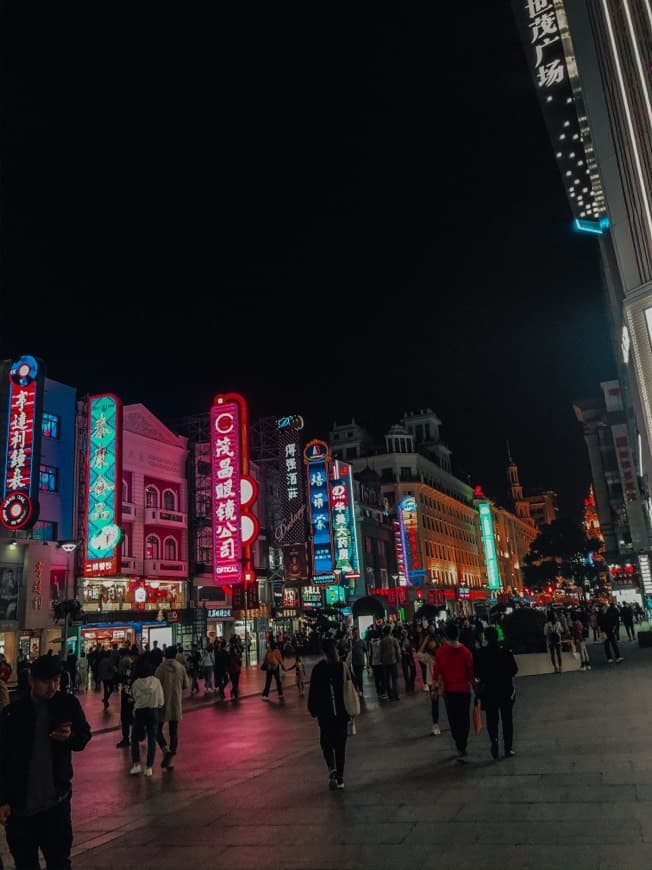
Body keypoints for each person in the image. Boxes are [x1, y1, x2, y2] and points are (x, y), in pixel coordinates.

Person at [0, 655, 91, 869]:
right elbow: (3, 758)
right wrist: (2, 799)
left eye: (56, 681)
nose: (52, 687)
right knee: (25, 863)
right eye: (46, 681)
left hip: (55, 804)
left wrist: (70, 737)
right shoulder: (14, 712)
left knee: (59, 861)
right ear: (31, 680)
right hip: (20, 809)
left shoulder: (67, 704)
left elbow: (83, 737)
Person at [307, 638, 349, 790]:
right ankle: (341, 777)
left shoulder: (319, 669)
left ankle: (332, 768)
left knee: (326, 742)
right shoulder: (342, 667)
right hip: (342, 712)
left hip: (325, 714)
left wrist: (313, 709)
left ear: (323, 651)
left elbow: (313, 692)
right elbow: (352, 686)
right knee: (340, 745)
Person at [432, 622, 475, 763]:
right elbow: (470, 672)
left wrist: (435, 687)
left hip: (449, 691)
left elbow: (436, 671)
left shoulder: (441, 652)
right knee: (464, 718)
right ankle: (463, 742)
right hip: (463, 690)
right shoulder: (466, 652)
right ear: (458, 634)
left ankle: (458, 742)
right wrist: (475, 687)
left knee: (453, 718)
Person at [475, 626, 518, 759]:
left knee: (492, 719)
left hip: (489, 691)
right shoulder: (505, 652)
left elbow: (477, 672)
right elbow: (514, 670)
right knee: (507, 720)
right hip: (505, 690)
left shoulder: (481, 654)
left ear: (486, 638)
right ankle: (508, 747)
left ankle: (494, 739)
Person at [155, 645, 190, 770]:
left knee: (156, 729)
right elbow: (186, 684)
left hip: (162, 702)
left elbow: (155, 684)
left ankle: (165, 749)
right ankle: (171, 755)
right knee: (173, 731)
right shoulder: (180, 668)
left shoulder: (161, 668)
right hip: (176, 703)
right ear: (175, 655)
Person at [129, 657, 164, 776]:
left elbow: (134, 697)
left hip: (139, 712)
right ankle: (149, 767)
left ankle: (136, 764)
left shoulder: (136, 683)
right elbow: (161, 700)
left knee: (134, 738)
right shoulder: (156, 681)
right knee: (152, 739)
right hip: (153, 711)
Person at [115, 648, 136, 749]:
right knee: (131, 715)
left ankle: (126, 738)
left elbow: (120, 676)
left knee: (125, 716)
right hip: (132, 693)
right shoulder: (132, 664)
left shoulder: (123, 663)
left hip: (126, 693)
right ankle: (137, 734)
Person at [380, 625, 401, 701]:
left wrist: (382, 660)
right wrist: (399, 659)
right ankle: (396, 695)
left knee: (387, 680)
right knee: (395, 679)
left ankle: (390, 696)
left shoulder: (382, 641)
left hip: (385, 662)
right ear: (390, 631)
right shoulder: (394, 640)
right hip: (393, 661)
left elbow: (381, 652)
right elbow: (397, 650)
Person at [350, 628, 366, 697]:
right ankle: (358, 689)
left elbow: (366, 651)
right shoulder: (351, 642)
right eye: (354, 633)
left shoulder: (362, 642)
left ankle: (361, 690)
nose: (356, 634)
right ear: (353, 634)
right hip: (354, 662)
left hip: (361, 662)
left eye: (357, 632)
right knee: (356, 676)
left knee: (360, 676)